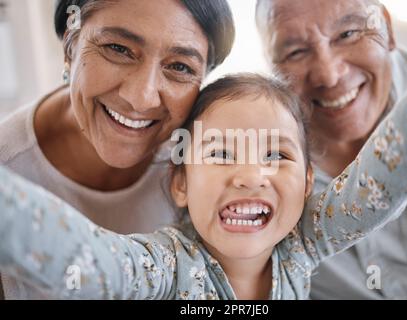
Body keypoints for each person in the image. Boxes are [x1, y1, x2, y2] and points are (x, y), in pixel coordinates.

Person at [0, 73, 407, 299]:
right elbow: (86, 257)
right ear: (181, 183)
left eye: (276, 155)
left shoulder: (301, 245)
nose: (251, 175)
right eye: (220, 154)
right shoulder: (165, 267)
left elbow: (377, 189)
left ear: (308, 183)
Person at [0, 0, 234, 300]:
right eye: (118, 49)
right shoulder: (8, 168)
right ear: (70, 45)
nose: (142, 98)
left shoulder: (208, 171)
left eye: (179, 67)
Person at [256, 0, 407, 299]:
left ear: (387, 28)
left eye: (347, 34)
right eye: (296, 52)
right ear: (272, 69)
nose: (329, 75)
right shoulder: (256, 165)